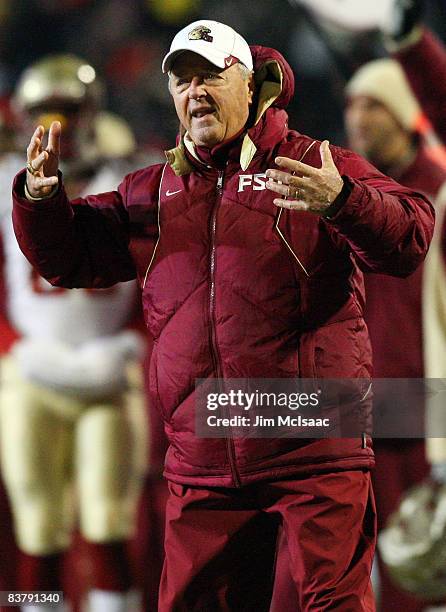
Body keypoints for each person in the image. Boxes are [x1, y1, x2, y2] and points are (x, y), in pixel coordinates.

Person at [11, 20, 435, 611]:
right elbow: (71, 258)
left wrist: (343, 201)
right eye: (181, 80)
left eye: (209, 74)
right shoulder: (154, 189)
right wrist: (39, 197)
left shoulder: (314, 162)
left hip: (312, 441)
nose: (194, 91)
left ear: (250, 83)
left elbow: (411, 234)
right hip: (207, 454)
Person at [0, 54, 148, 612]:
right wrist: (16, 349)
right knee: (37, 528)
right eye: (44, 111)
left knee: (110, 518)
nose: (56, 125)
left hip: (110, 372)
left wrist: (131, 340)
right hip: (29, 373)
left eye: (67, 110)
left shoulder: (130, 183)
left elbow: (160, 278)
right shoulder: (2, 183)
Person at [344, 57, 446, 612]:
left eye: (372, 105)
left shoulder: (439, 191)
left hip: (427, 405)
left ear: (406, 114)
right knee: (380, 562)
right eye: (352, 105)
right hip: (363, 408)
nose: (357, 119)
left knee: (426, 559)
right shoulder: (346, 195)